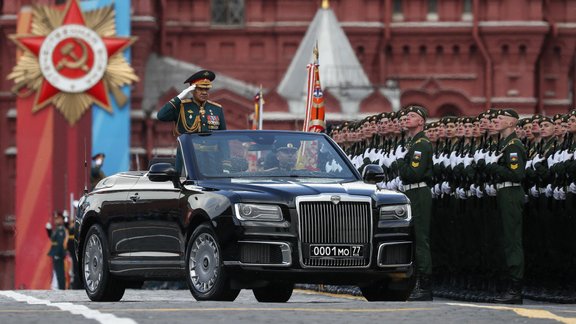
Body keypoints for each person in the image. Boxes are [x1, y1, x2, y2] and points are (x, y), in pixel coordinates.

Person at [393, 105, 434, 301]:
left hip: (418, 191)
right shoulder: (413, 143)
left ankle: (425, 286)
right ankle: (418, 282)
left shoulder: (421, 144)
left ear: (421, 121)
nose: (407, 119)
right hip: (412, 192)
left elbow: (413, 173)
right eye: (406, 116)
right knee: (415, 238)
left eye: (412, 116)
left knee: (421, 239)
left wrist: (401, 163)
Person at [487, 109, 527, 304]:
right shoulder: (503, 144)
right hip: (503, 192)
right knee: (505, 239)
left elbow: (517, 174)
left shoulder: (513, 146)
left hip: (511, 193)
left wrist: (494, 168)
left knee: (512, 240)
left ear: (511, 123)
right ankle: (509, 286)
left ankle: (515, 289)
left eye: (501, 118)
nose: (497, 121)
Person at [157, 70, 227, 174]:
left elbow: (223, 138)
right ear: (192, 90)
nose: (204, 92)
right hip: (188, 157)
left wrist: (225, 161)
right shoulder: (181, 106)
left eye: (207, 89)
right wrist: (179, 97)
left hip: (212, 160)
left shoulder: (216, 109)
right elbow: (161, 116)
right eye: (200, 89)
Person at [46, 211, 68, 290]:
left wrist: (58, 254)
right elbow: (52, 238)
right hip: (55, 253)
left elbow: (60, 243)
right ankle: (57, 286)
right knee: (57, 270)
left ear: (62, 220)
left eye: (58, 219)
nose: (56, 221)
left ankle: (61, 288)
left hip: (58, 254)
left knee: (60, 272)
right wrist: (48, 230)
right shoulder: (57, 230)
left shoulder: (62, 230)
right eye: (55, 219)